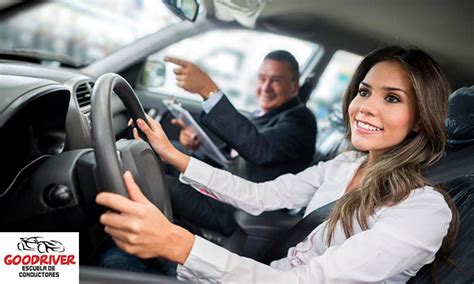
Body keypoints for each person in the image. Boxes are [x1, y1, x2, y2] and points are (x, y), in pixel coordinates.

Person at [96, 46, 459, 283]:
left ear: (420, 118)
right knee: (101, 256)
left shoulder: (423, 209)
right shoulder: (345, 164)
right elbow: (260, 195)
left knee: (110, 263)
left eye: (392, 98)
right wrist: (174, 156)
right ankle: (40, 262)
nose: (365, 106)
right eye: (364, 91)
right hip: (264, 273)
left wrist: (180, 245)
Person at [164, 50, 317, 235]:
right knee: (171, 152)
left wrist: (208, 90)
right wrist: (196, 146)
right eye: (262, 79)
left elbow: (259, 149)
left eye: (275, 80)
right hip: (223, 186)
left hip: (240, 209)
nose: (266, 87)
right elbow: (229, 158)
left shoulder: (301, 121)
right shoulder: (262, 115)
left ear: (295, 85)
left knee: (164, 183)